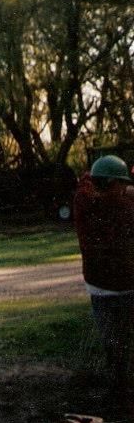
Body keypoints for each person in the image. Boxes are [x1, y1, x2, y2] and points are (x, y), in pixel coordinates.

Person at [74, 154, 134, 407]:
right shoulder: (122, 206)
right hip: (124, 286)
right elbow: (117, 202)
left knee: (114, 343)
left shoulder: (83, 202)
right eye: (121, 184)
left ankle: (119, 387)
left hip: (100, 288)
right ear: (111, 183)